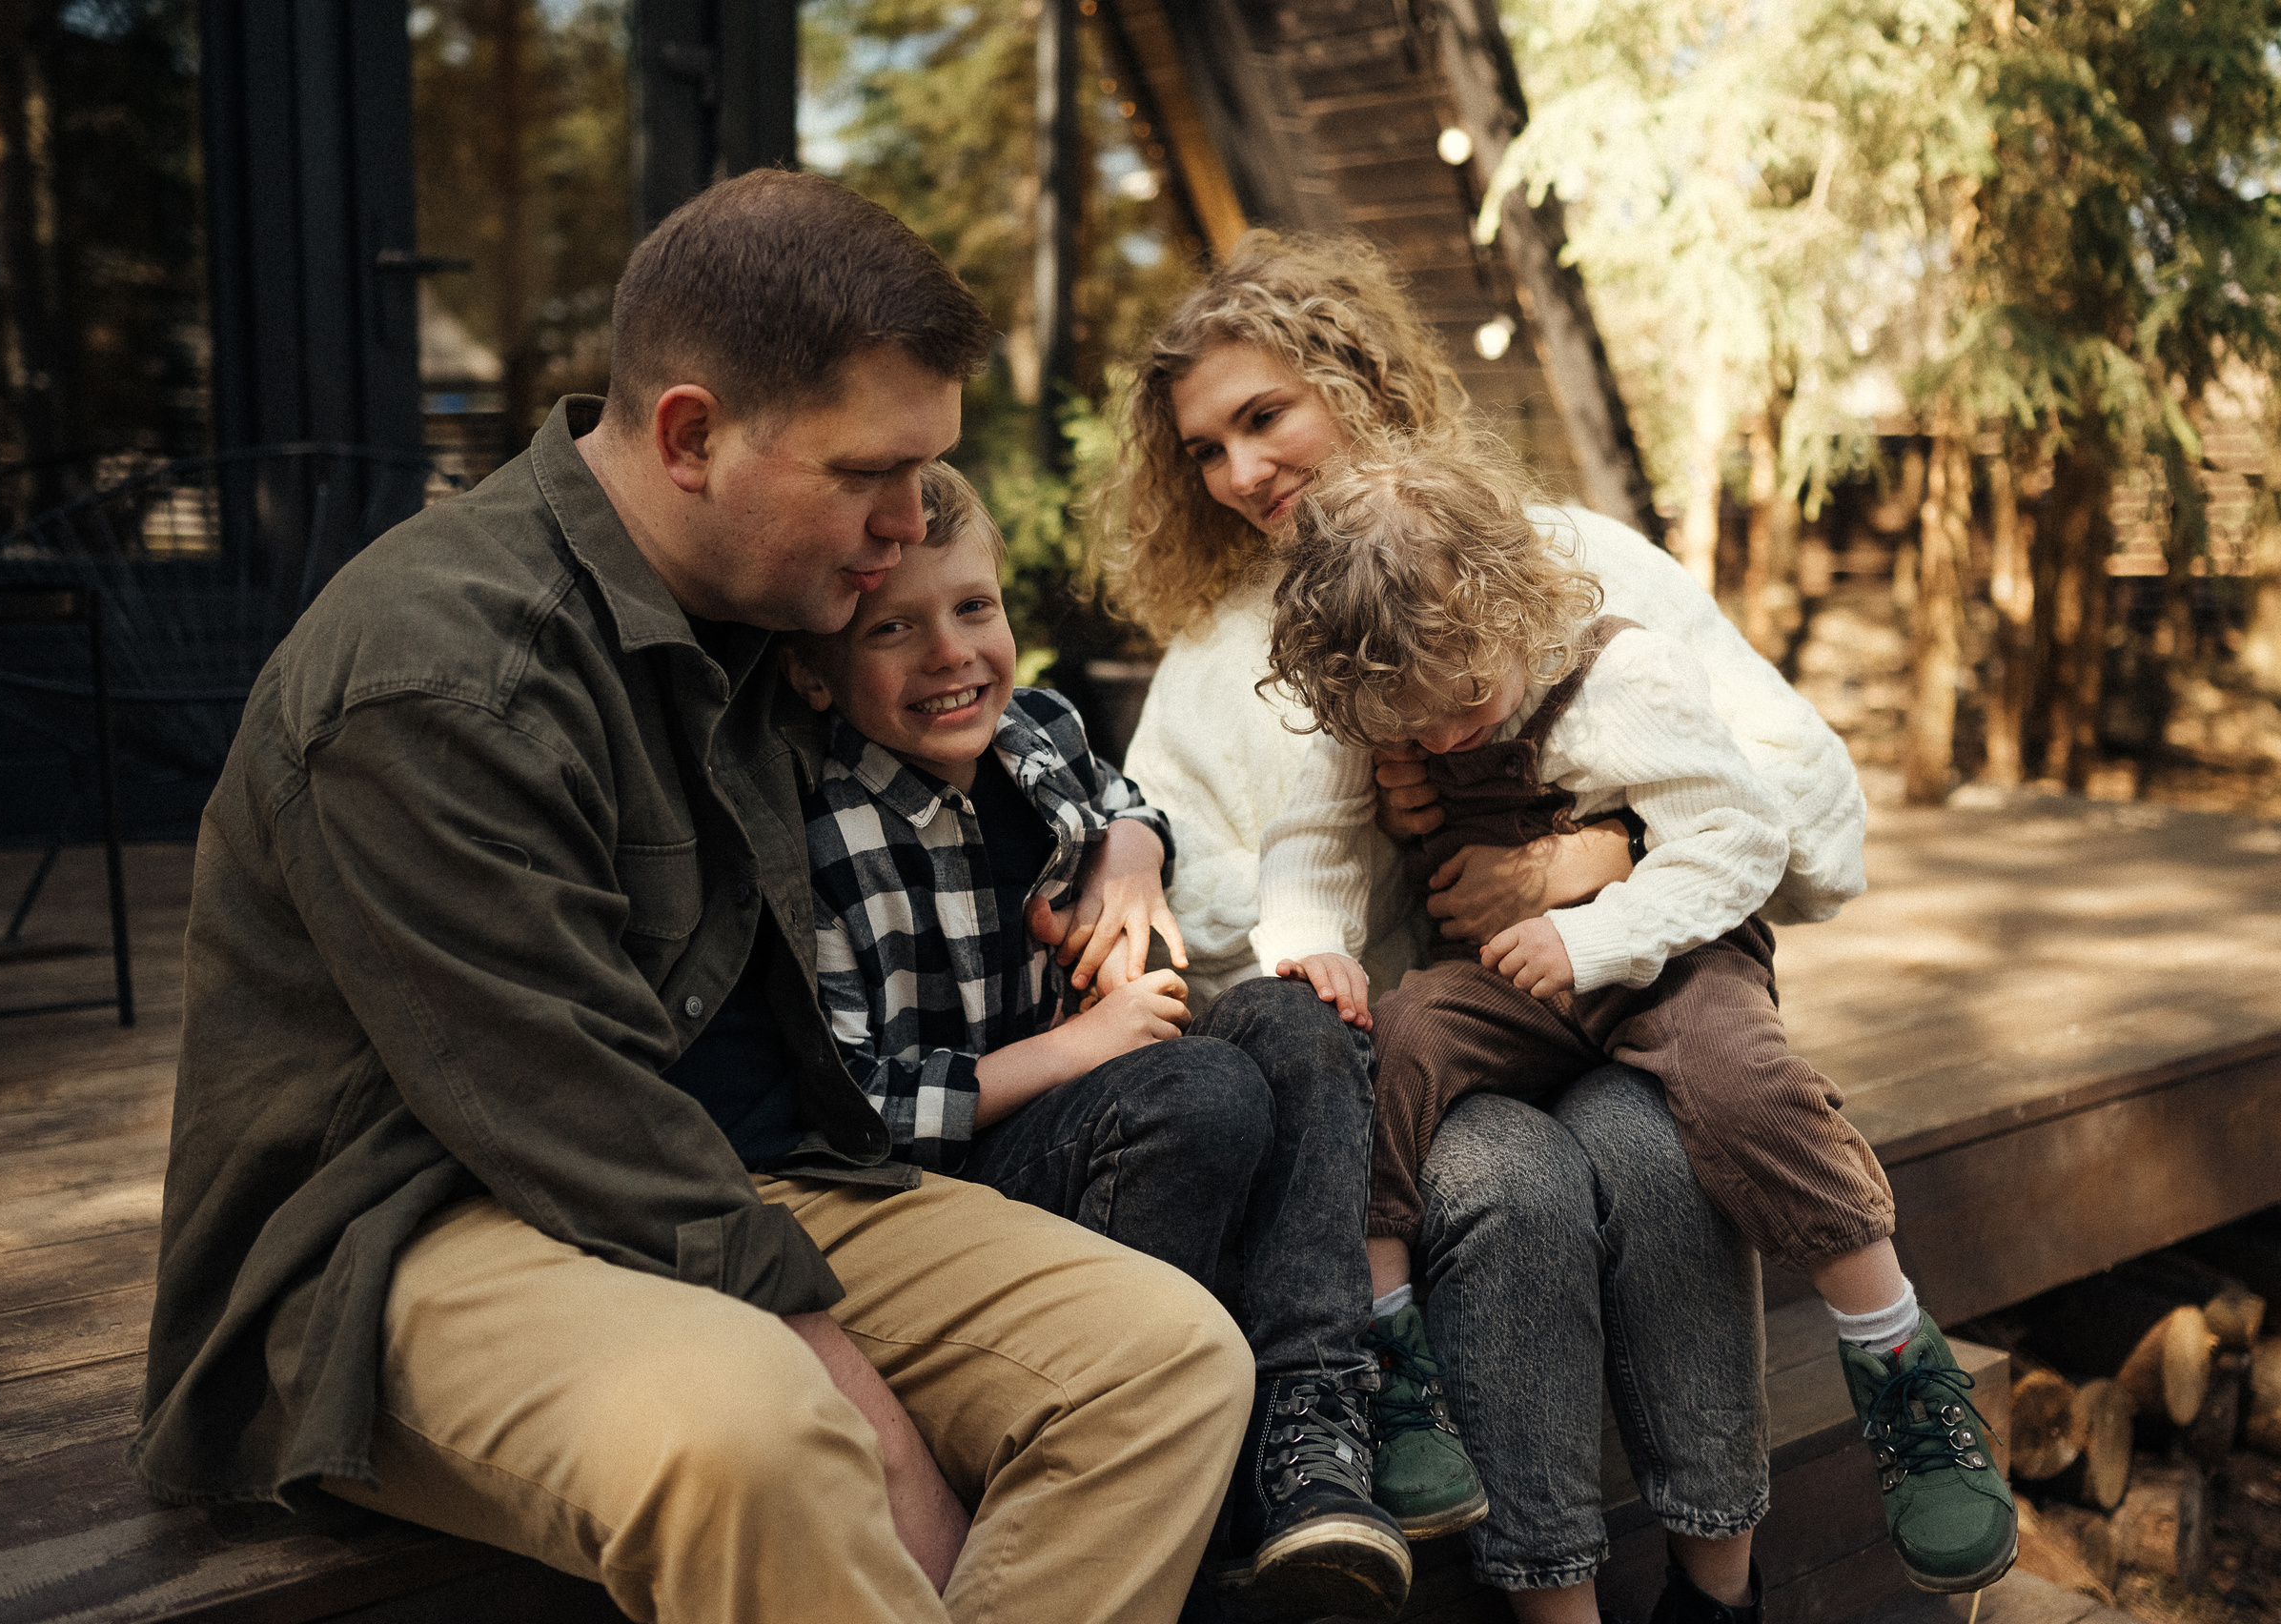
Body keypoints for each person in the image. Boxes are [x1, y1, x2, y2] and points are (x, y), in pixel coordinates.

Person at [130, 171, 1256, 1624]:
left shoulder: (764, 605)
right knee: (757, 1429)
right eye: (869, 476)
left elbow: (1010, 738)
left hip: (737, 1161)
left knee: (1164, 1361)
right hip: (417, 1225)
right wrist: (846, 1377)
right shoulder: (437, 676)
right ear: (690, 434)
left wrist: (1124, 839)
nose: (909, 526)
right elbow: (562, 1104)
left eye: (925, 476)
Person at [1095, 230, 1932, 1623]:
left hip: (1619, 994)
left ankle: (1721, 1586)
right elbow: (1225, 915)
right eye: (1204, 448)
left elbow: (1800, 808)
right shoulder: (1212, 663)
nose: (1241, 474)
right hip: (1415, 1055)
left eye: (1264, 416)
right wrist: (1174, 843)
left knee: (1654, 1158)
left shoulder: (1548, 557)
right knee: (1505, 1189)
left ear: (1355, 379)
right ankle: (1552, 1593)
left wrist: (1581, 858)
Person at [1253, 432, 2017, 1597]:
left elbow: (1740, 839)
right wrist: (1309, 945)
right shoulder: (1391, 687)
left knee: (1740, 1081)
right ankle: (1389, 1354)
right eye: (1411, 726)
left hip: (1673, 954)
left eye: (1465, 700)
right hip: (1521, 984)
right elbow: (1309, 842)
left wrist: (1594, 930)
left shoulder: (1621, 676)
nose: (1448, 737)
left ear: (1505, 599)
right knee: (1392, 1041)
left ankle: (1899, 1363)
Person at [780, 459, 1417, 1618]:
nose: (951, 654)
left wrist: (1133, 851)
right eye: (893, 629)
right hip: (965, 1203)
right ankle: (1196, 1488)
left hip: (1096, 1126)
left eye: (974, 609)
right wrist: (1085, 1048)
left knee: (1294, 1015)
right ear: (814, 675)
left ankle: (1314, 1433)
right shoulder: (825, 832)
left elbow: (1123, 799)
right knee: (1200, 1091)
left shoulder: (1036, 729)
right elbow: (855, 1104)